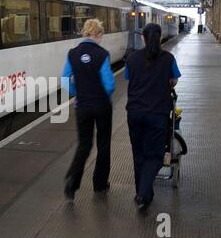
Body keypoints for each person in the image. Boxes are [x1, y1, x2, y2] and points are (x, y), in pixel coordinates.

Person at [125, 23, 181, 212]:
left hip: (134, 113)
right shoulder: (168, 58)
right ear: (159, 38)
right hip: (157, 114)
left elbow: (129, 78)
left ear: (143, 38)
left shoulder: (132, 58)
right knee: (156, 156)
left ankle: (143, 197)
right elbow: (173, 81)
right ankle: (142, 192)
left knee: (138, 154)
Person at [61, 18, 115, 203]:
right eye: (101, 36)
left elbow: (65, 79)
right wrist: (103, 95)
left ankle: (72, 183)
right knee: (103, 144)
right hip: (101, 106)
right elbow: (109, 83)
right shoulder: (102, 54)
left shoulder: (72, 53)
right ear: (98, 34)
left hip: (82, 106)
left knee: (84, 144)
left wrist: (78, 93)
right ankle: (99, 184)